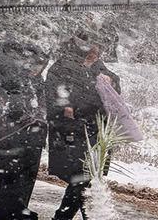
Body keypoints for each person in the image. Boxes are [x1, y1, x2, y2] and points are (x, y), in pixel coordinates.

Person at [45, 32, 120, 220]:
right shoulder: (63, 67)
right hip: (71, 133)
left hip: (94, 133)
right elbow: (56, 98)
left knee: (85, 180)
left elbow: (113, 97)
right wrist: (71, 106)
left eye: (98, 48)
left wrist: (110, 84)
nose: (95, 52)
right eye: (91, 47)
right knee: (83, 179)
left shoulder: (102, 71)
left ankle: (64, 217)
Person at [0, 36, 48, 220]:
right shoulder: (5, 77)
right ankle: (2, 210)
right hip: (4, 137)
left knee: (25, 176)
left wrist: (39, 120)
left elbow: (42, 105)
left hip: (32, 136)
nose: (38, 69)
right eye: (36, 64)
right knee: (4, 176)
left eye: (41, 65)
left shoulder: (37, 81)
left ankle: (19, 207)